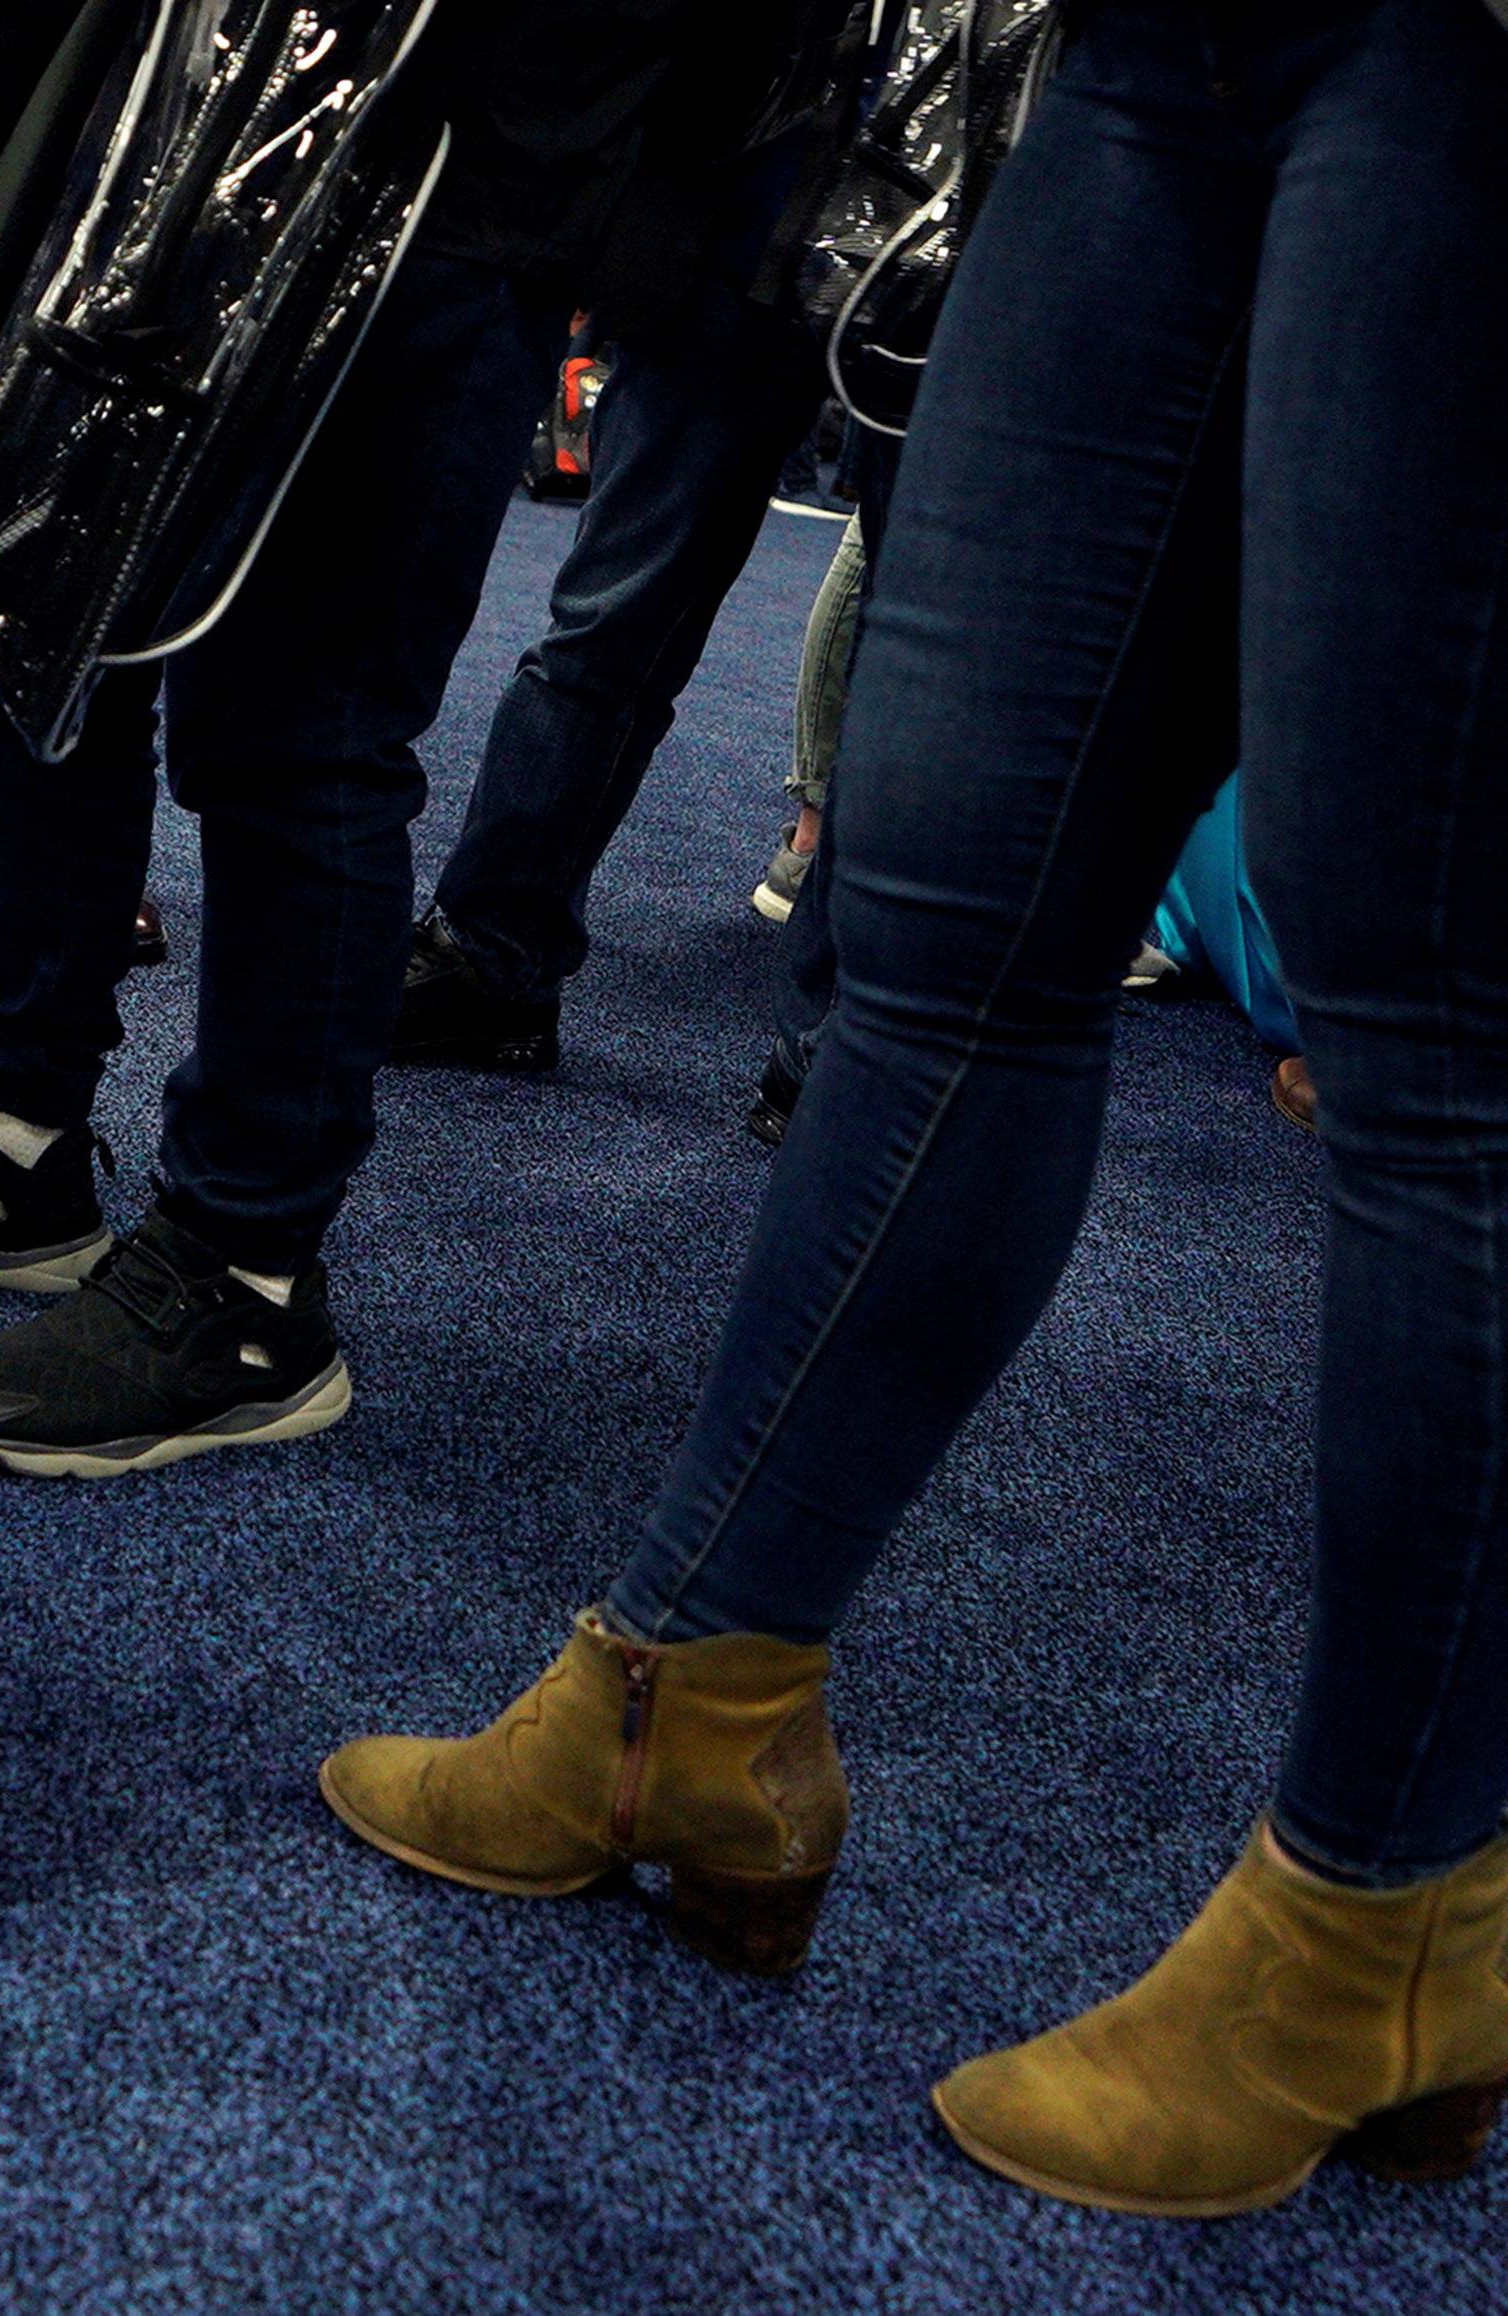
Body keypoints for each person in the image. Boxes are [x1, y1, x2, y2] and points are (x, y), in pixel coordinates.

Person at [318, 0, 1508, 2222]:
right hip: (1147, 52)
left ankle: (1391, 1918)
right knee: (945, 911)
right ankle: (697, 1702)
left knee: (1433, 1018)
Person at [0, 4, 853, 1480]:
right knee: (45, 612)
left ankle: (246, 1282)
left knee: (302, 724)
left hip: (463, 158)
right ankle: (8, 1136)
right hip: (181, 122)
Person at [389, 12, 871, 1074]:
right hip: (739, 210)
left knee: (921, 662)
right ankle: (490, 955)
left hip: (940, 237)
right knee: (607, 619)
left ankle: (846, 1051)